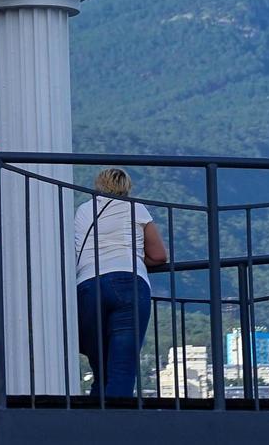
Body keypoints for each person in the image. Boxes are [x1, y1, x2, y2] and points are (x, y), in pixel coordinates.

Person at [73, 168, 169, 399]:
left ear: (98, 186)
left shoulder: (83, 211)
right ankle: (117, 425)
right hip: (129, 280)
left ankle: (96, 421)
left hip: (88, 285)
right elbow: (159, 256)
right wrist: (133, 256)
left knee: (101, 368)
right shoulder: (136, 208)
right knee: (122, 368)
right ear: (127, 187)